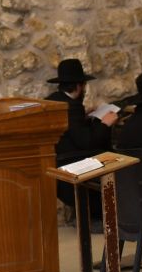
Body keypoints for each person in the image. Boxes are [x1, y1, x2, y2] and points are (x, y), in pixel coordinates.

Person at [45, 58, 117, 224]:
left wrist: (84, 117)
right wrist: (106, 123)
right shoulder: (72, 106)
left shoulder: (53, 100)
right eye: (83, 85)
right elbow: (87, 142)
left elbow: (71, 129)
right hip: (73, 169)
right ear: (79, 86)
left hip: (57, 165)